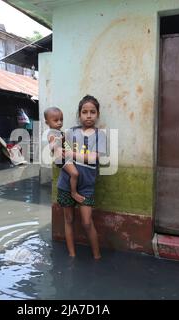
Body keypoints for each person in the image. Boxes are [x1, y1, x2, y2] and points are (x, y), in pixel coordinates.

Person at [57, 95, 106, 259]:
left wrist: (71, 153)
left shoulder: (101, 135)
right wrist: (57, 148)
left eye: (92, 112)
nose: (89, 115)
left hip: (86, 187)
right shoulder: (70, 132)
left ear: (97, 114)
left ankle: (97, 256)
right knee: (68, 220)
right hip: (66, 183)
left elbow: (94, 158)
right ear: (79, 114)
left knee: (86, 222)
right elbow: (57, 149)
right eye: (85, 112)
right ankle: (72, 255)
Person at [44, 107, 85, 204]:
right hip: (61, 159)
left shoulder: (60, 132)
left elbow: (65, 143)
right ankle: (73, 193)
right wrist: (57, 145)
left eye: (61, 120)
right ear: (47, 123)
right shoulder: (51, 133)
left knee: (76, 171)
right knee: (75, 173)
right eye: (56, 120)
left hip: (66, 156)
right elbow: (52, 145)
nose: (59, 122)